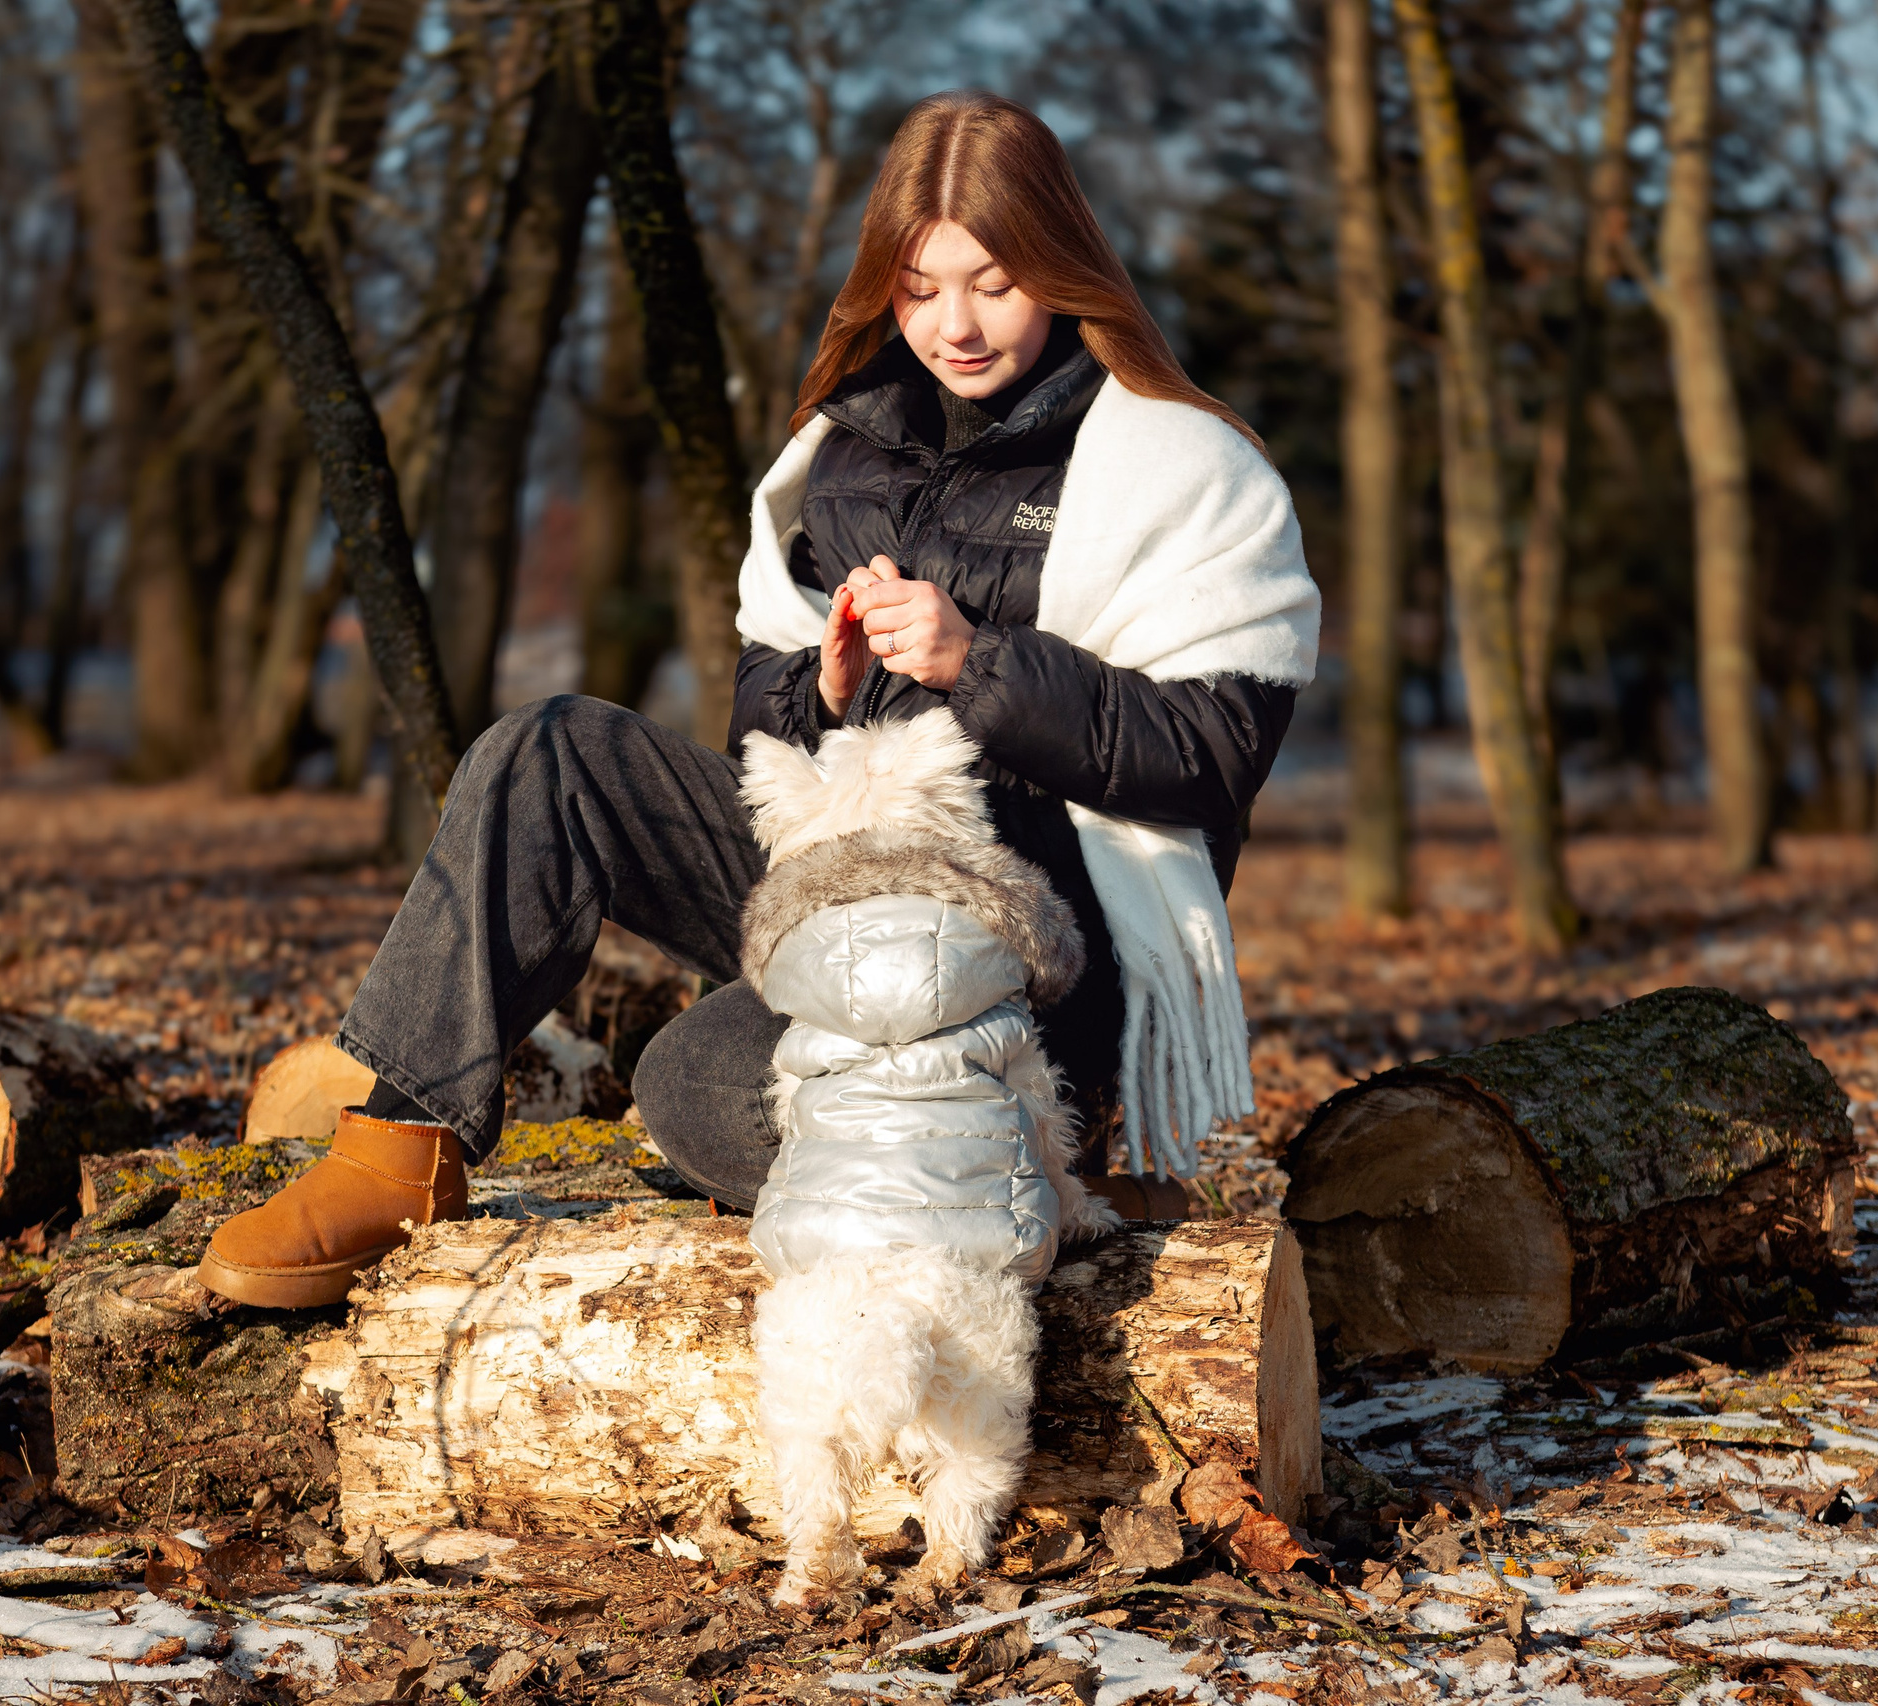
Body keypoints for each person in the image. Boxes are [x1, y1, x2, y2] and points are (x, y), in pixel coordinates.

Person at [196, 89, 1319, 1311]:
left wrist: (976, 662)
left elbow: (1214, 753)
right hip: (840, 859)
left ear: (1061, 264)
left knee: (694, 1086)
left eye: (993, 282)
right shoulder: (834, 458)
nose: (955, 323)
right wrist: (817, 689)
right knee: (548, 751)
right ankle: (400, 1145)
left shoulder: (1175, 461)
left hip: (1033, 931)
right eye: (920, 285)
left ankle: (1033, 1142)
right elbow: (756, 731)